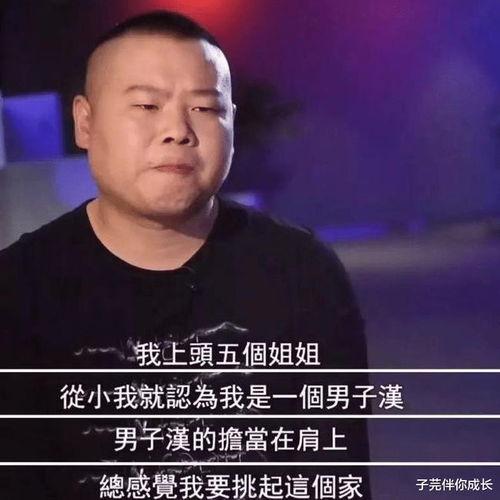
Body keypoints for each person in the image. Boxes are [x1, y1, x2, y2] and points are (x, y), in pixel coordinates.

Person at [0, 10, 371, 499]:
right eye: (147, 105)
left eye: (204, 108)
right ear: (85, 122)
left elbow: (334, 473)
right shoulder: (20, 289)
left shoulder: (303, 273)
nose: (177, 130)